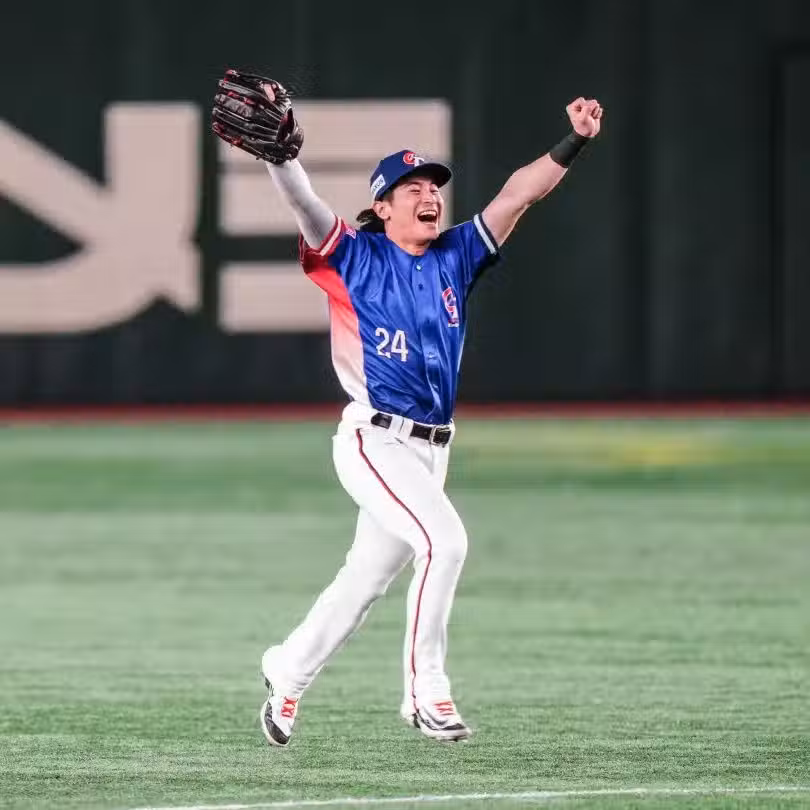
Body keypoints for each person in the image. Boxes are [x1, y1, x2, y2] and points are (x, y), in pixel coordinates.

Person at [259, 94, 603, 747]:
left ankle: (288, 670)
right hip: (372, 439)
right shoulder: (355, 256)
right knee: (445, 543)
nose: (429, 196)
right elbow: (305, 205)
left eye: (433, 187)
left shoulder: (456, 255)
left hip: (430, 451)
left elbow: (517, 195)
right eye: (412, 188)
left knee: (364, 580)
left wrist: (574, 139)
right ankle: (426, 692)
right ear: (383, 206)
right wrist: (281, 159)